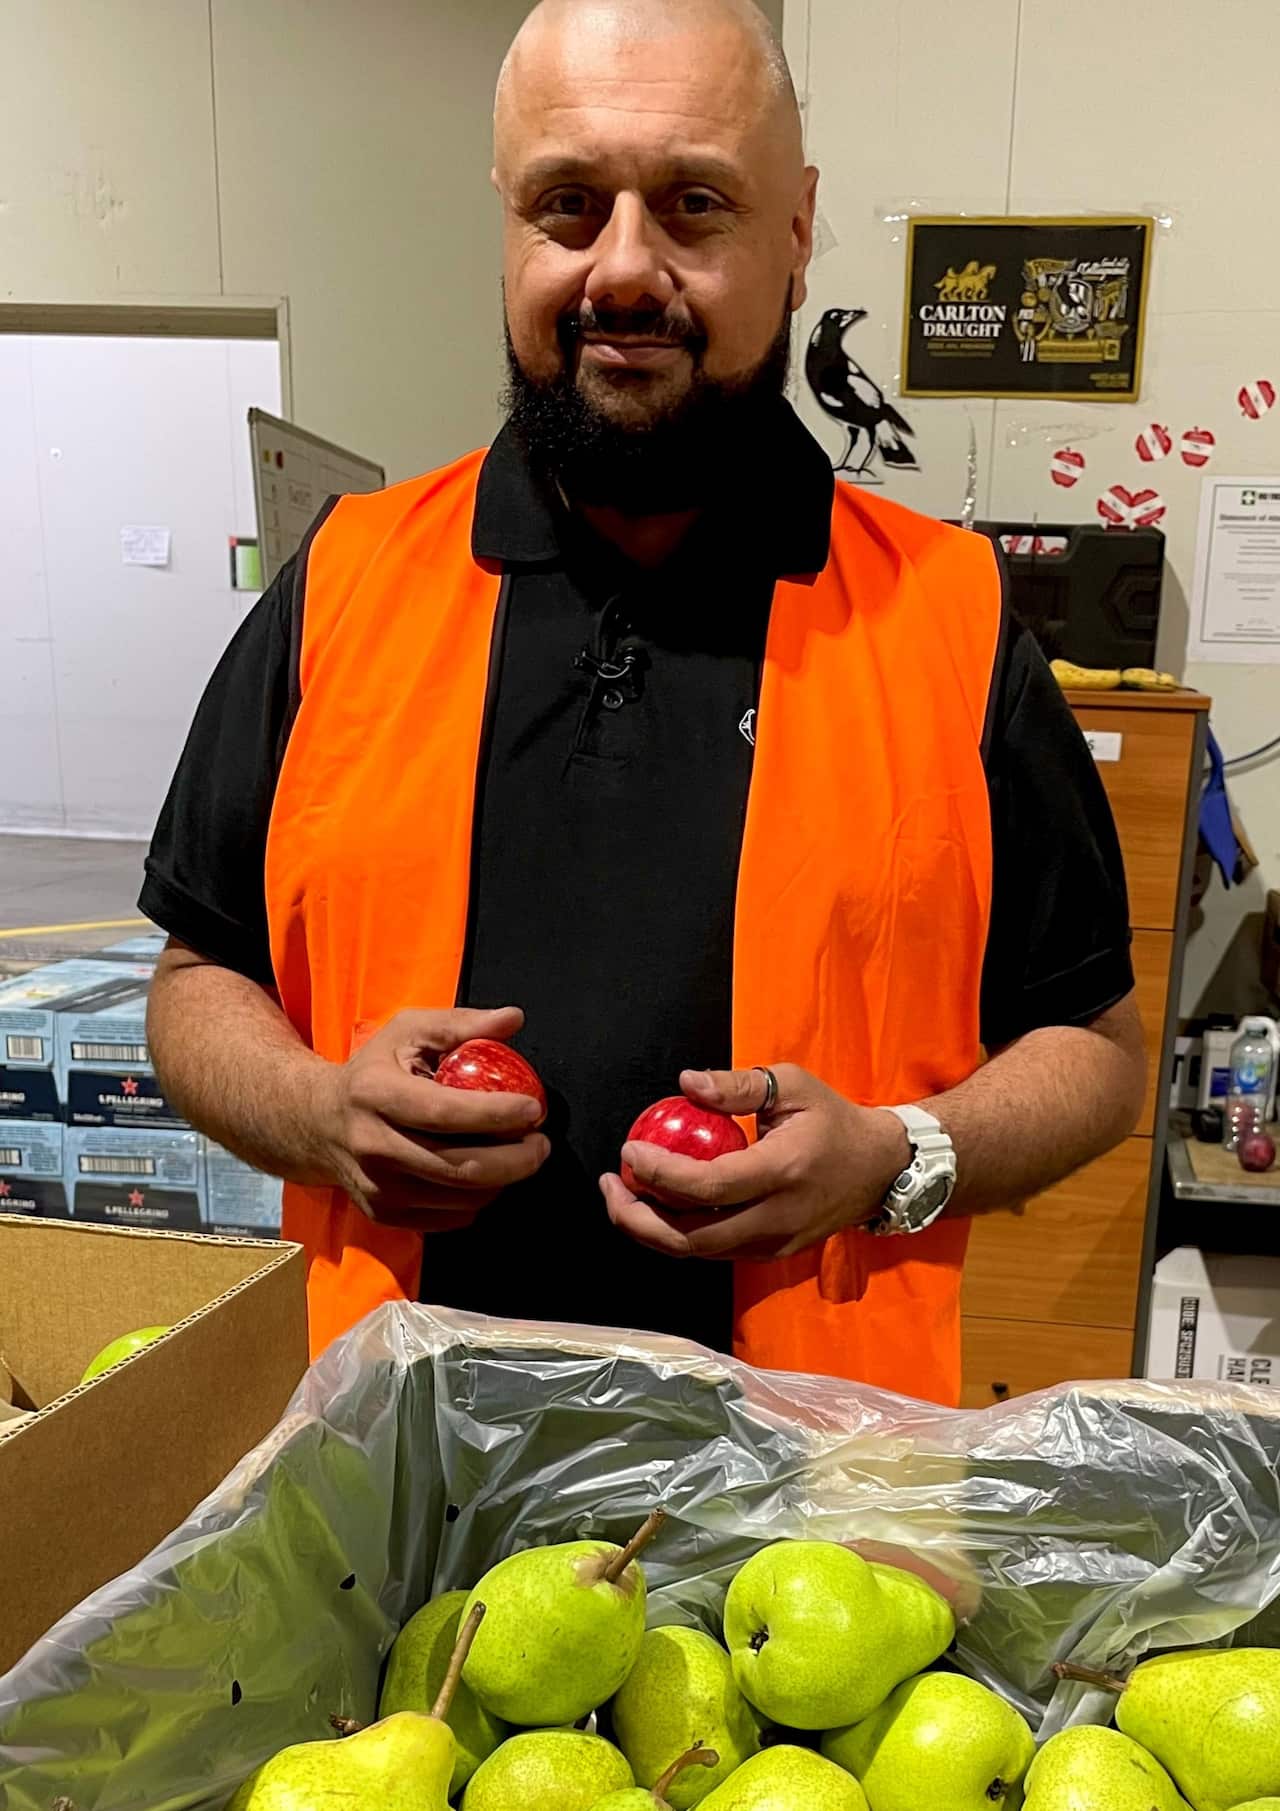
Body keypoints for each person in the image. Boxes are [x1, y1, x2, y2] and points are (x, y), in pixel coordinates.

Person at [142, 0, 1144, 1404]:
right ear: (504, 225)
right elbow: (197, 978)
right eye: (568, 203)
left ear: (794, 236)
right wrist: (317, 1114)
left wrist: (897, 1159)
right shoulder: (345, 588)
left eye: (693, 204)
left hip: (815, 1514)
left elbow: (1095, 1047)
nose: (624, 268)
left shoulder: (953, 618)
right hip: (384, 1477)